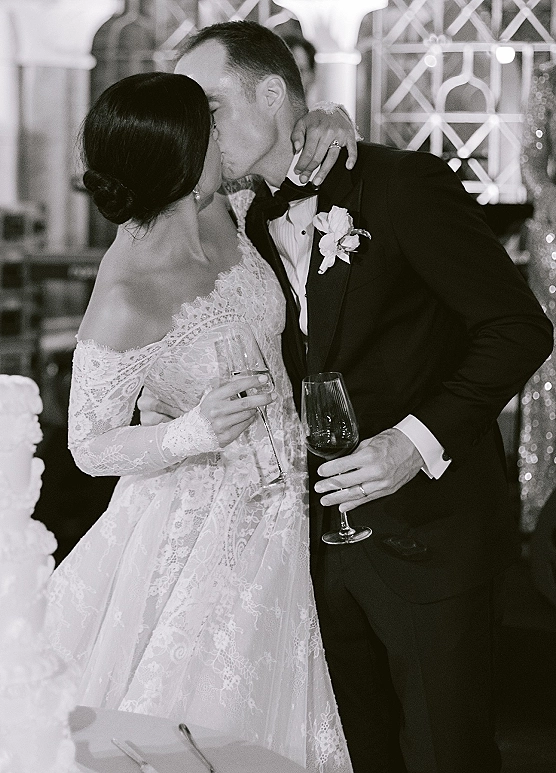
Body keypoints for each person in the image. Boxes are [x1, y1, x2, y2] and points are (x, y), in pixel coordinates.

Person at [139, 20, 553, 773]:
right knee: (352, 756)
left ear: (272, 93)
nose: (199, 131)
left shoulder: (400, 185)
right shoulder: (237, 221)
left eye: (210, 108)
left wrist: (414, 442)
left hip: (431, 537)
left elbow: (517, 328)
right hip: (308, 551)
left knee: (448, 754)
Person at [46, 70, 359, 772]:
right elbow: (87, 444)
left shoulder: (224, 206)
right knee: (212, 726)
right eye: (210, 127)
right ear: (186, 160)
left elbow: (290, 166)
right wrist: (193, 429)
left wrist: (330, 118)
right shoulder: (128, 293)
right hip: (207, 523)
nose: (224, 136)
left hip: (297, 494)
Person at [519, 61, 556, 535]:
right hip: (555, 233)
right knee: (549, 363)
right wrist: (547, 194)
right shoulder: (550, 79)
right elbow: (531, 156)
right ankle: (543, 502)